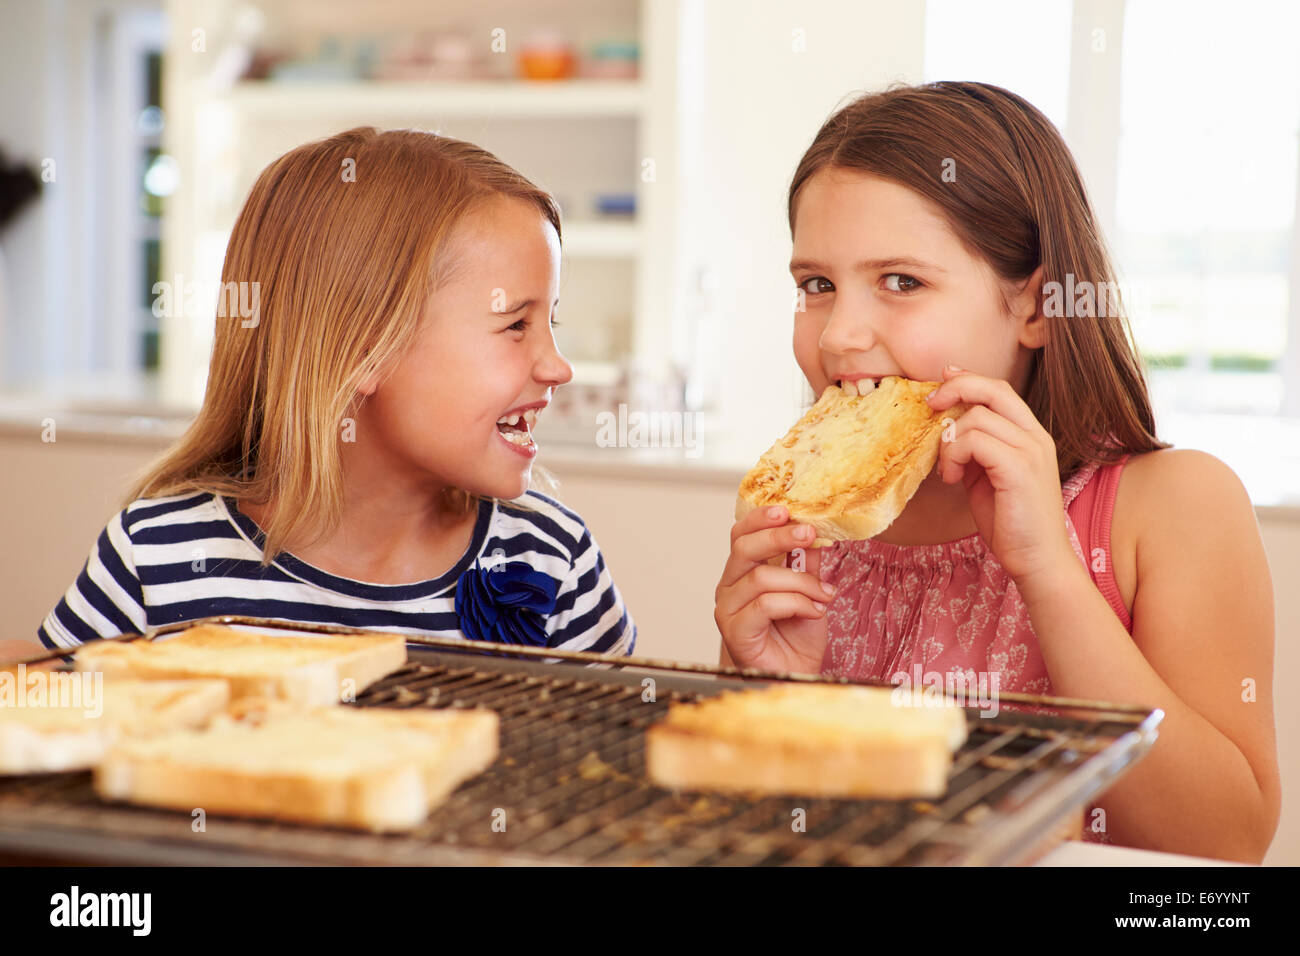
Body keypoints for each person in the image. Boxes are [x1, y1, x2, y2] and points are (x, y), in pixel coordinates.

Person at [714, 82, 1278, 862]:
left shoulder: (1175, 505)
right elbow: (748, 830)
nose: (840, 335)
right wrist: (768, 693)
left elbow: (1224, 845)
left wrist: (1047, 568)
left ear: (1039, 306)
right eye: (816, 286)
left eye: (901, 282)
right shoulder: (813, 513)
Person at [33, 126, 635, 660]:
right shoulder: (155, 560)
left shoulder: (554, 558)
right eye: (515, 326)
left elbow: (622, 766)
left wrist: (733, 666)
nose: (558, 367)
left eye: (551, 321)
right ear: (361, 350)